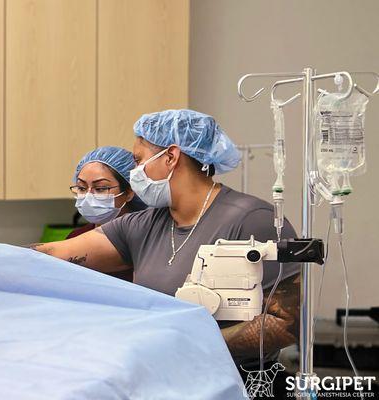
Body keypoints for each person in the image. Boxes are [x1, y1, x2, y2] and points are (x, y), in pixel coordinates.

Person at [30, 110, 300, 378]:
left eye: (138, 160)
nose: (134, 171)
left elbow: (288, 323)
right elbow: (53, 254)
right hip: (165, 379)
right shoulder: (145, 224)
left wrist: (188, 341)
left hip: (235, 382)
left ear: (170, 157)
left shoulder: (251, 220)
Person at [66, 146, 146, 281]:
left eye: (101, 188)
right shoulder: (76, 238)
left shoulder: (145, 240)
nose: (88, 196)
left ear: (129, 193)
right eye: (81, 188)